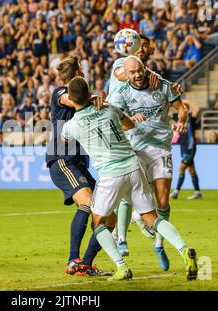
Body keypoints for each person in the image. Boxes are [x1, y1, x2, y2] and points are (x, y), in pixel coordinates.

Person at [62, 76, 198, 281]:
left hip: (110, 175)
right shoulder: (109, 109)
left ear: (71, 100)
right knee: (152, 218)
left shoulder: (72, 125)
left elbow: (63, 139)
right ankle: (183, 249)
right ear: (90, 93)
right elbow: (129, 125)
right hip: (133, 167)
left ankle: (121, 266)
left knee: (98, 224)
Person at [109, 56, 188, 272]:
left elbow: (182, 108)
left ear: (145, 69)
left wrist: (181, 121)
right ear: (126, 73)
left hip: (161, 148)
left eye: (139, 70)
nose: (136, 75)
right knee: (129, 194)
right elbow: (113, 122)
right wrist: (129, 121)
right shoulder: (122, 92)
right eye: (131, 72)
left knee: (162, 201)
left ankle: (159, 244)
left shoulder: (161, 85)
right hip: (135, 149)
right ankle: (122, 238)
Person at [45, 55, 108, 276]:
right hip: (62, 159)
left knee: (107, 214)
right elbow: (70, 100)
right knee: (87, 202)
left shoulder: (86, 101)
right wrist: (92, 98)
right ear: (79, 75)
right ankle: (73, 259)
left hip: (79, 163)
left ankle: (85, 263)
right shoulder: (60, 93)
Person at [170, 99, 202, 200]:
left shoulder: (191, 118)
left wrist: (187, 101)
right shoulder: (178, 118)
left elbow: (197, 110)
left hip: (190, 147)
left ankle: (176, 192)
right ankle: (197, 192)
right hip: (182, 147)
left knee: (181, 167)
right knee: (191, 169)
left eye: (184, 108)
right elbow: (167, 113)